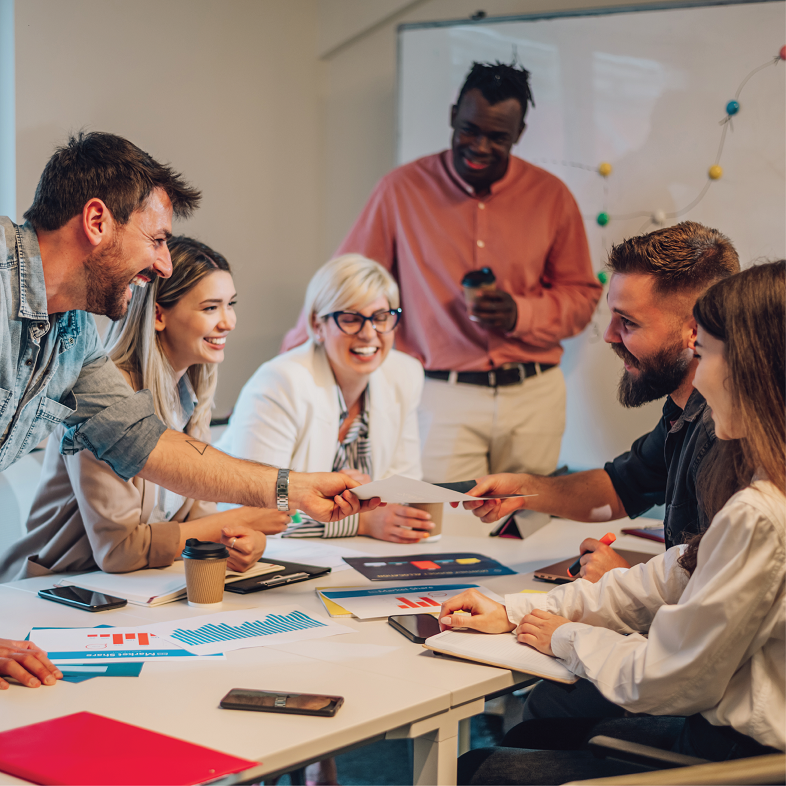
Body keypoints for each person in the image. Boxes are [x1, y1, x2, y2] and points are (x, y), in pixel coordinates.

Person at [0, 131, 377, 690]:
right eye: (155, 240)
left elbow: (148, 444)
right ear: (97, 221)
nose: (162, 264)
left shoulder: (73, 331)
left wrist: (290, 488)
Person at [445, 260, 785, 785]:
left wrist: (565, 636)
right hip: (728, 729)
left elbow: (672, 677)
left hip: (736, 757)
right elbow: (675, 570)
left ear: (757, 368)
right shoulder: (760, 474)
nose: (704, 376)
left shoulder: (759, 510)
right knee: (540, 726)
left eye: (709, 354)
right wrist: (518, 611)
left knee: (479, 771)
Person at [461, 221, 739, 724]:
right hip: (676, 660)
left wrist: (619, 589)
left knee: (538, 720)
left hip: (706, 704)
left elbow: (710, 607)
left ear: (694, 332)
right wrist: (523, 491)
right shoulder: (684, 411)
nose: (609, 336)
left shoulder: (731, 438)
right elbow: (620, 487)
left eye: (628, 323)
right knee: (546, 705)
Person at [282, 62, 602, 483]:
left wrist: (519, 314)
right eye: (469, 129)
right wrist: (289, 364)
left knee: (525, 528)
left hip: (534, 394)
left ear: (520, 134)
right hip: (438, 393)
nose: (480, 146)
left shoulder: (552, 197)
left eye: (498, 137)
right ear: (453, 116)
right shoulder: (400, 189)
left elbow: (582, 298)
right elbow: (345, 283)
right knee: (440, 527)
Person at [0, 237, 289, 583]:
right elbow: (119, 550)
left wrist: (239, 539)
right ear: (158, 315)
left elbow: (198, 515)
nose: (228, 322)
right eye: (211, 308)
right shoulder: (104, 398)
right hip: (57, 590)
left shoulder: (189, 394)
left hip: (135, 589)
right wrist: (244, 518)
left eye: (231, 305)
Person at [219, 255, 431, 543]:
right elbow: (255, 513)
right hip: (263, 555)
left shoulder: (405, 373)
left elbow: (405, 492)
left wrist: (373, 502)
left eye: (381, 318)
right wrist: (360, 520)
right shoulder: (280, 382)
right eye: (351, 319)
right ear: (317, 325)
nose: (369, 334)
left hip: (358, 553)